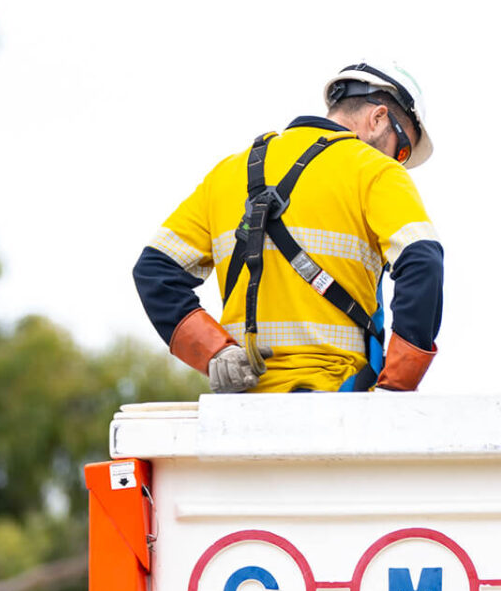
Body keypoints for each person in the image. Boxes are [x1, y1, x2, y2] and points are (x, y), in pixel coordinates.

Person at [132, 60, 443, 393]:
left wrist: (215, 352)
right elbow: (423, 261)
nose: (399, 162)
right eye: (403, 149)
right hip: (337, 407)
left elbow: (155, 269)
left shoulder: (228, 173)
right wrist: (396, 388)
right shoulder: (375, 171)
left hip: (242, 412)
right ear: (378, 117)